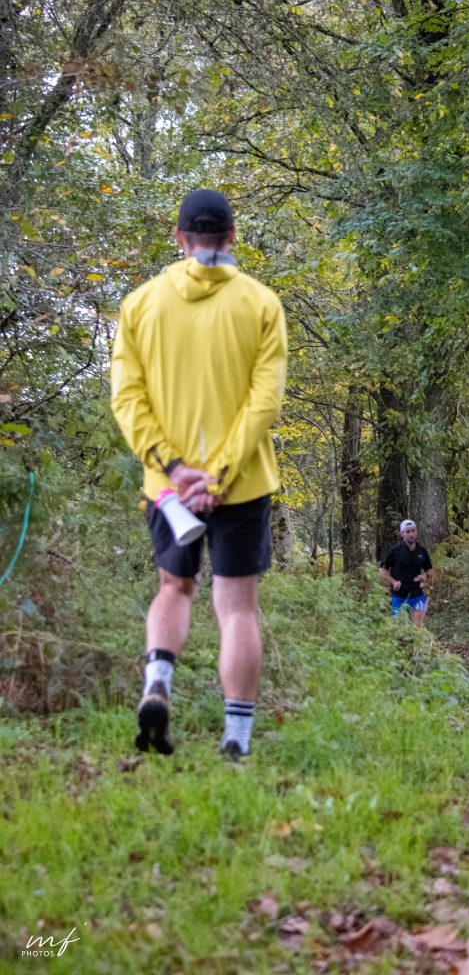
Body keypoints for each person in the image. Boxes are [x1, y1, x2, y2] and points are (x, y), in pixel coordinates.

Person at [111, 188, 287, 759]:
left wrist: (174, 467)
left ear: (179, 236)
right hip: (242, 483)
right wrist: (219, 473)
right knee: (236, 607)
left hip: (168, 487)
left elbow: (128, 400)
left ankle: (157, 680)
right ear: (232, 235)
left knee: (174, 587)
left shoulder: (141, 304)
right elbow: (264, 403)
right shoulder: (261, 304)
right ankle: (236, 740)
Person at [379, 519, 433, 627]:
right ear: (402, 533)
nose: (411, 534)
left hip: (417, 595)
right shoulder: (395, 551)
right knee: (399, 629)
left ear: (416, 531)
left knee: (417, 626)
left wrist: (425, 575)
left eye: (413, 531)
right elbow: (382, 569)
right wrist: (394, 582)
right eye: (408, 531)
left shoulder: (422, 551)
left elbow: (430, 570)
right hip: (399, 596)